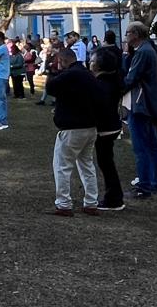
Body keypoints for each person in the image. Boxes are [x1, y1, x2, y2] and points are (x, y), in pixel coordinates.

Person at [46, 45, 101, 216]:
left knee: (62, 166)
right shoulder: (88, 75)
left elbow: (51, 88)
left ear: (62, 61)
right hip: (90, 126)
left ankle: (63, 203)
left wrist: (51, 71)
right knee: (87, 165)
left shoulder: (69, 75)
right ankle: (91, 202)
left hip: (72, 127)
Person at [123, 22, 157, 198]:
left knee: (141, 147)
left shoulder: (142, 52)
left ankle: (144, 185)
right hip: (149, 103)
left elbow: (131, 78)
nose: (126, 36)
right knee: (152, 145)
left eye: (128, 33)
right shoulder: (149, 50)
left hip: (140, 104)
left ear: (136, 34)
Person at [91, 44, 125, 211]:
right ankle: (113, 196)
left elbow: (98, 105)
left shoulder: (103, 83)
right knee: (106, 162)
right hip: (111, 126)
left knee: (106, 163)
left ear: (99, 65)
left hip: (105, 128)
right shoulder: (110, 80)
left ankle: (114, 198)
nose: (90, 63)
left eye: (92, 61)